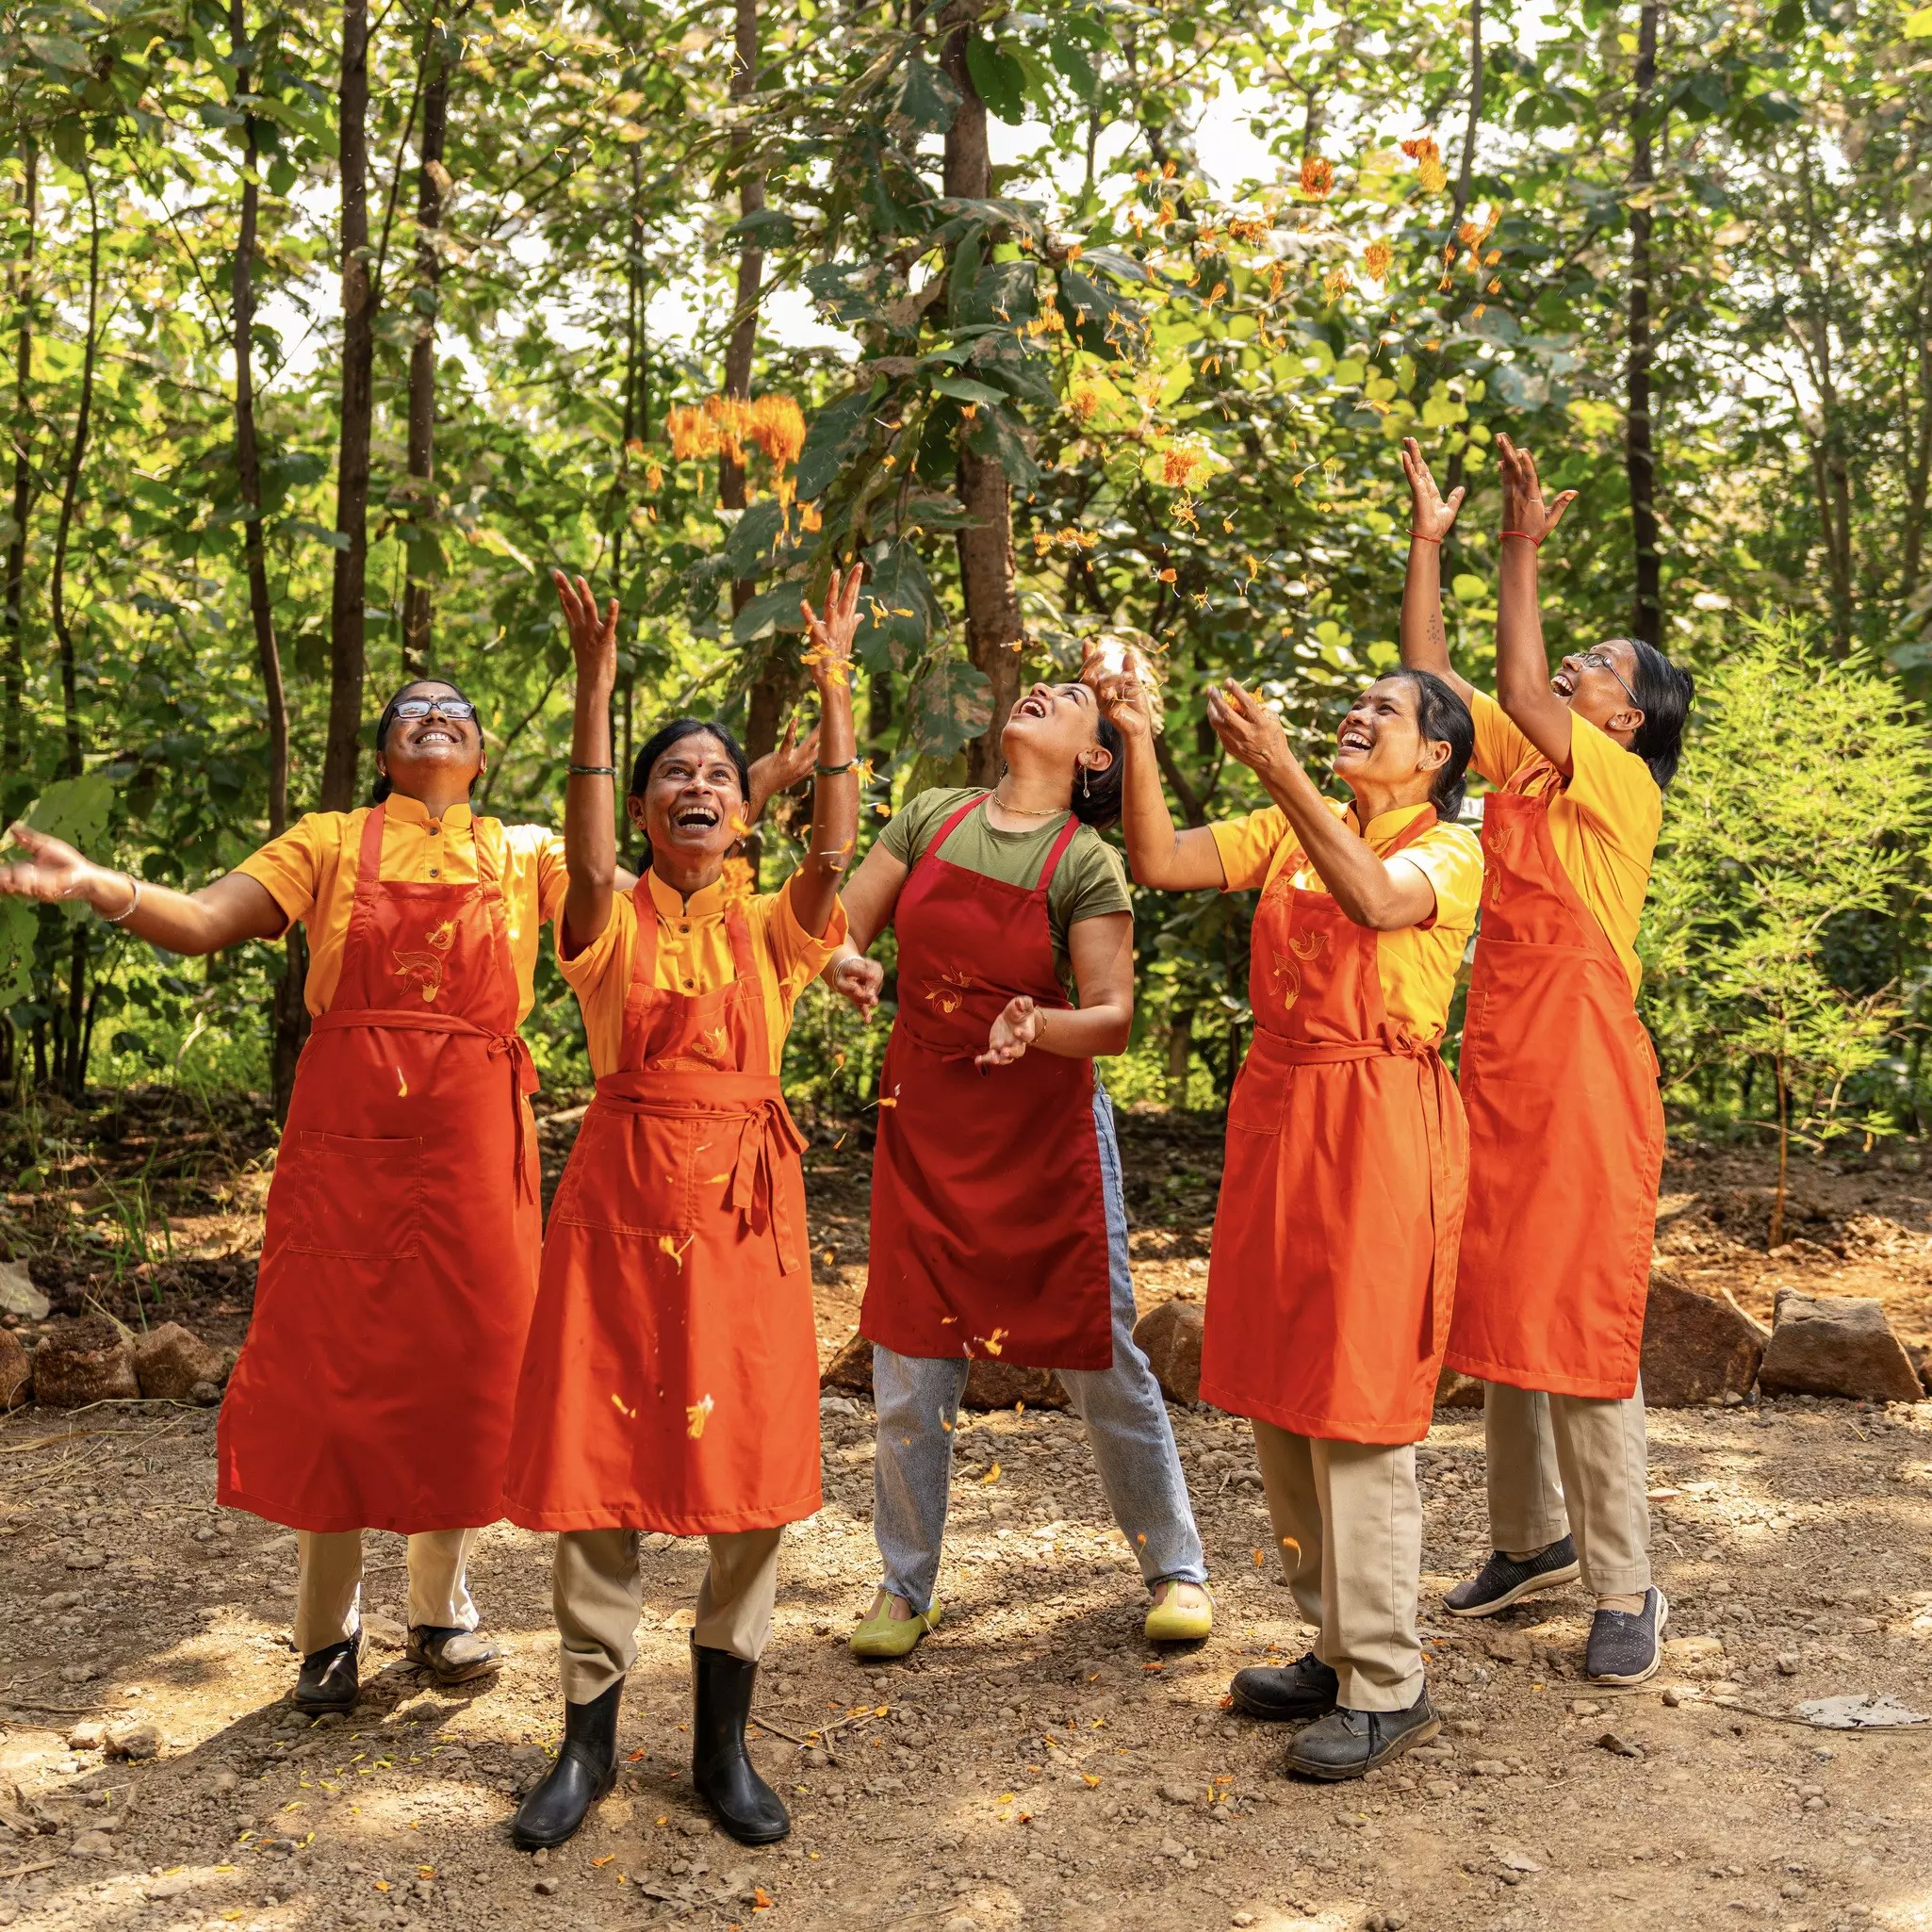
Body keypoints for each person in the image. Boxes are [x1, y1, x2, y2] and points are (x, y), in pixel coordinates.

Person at [0, 679, 564, 1711]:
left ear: (480, 753)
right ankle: (326, 1629)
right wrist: (99, 884)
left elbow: (649, 906)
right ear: (385, 750)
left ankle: (440, 1607)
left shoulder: (530, 850)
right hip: (347, 1142)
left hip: (477, 1142)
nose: (434, 713)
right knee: (332, 1366)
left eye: (456, 709)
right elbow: (209, 919)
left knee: (468, 1362)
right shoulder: (330, 840)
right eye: (411, 707)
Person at [502, 567, 860, 1850]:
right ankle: (585, 1744)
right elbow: (585, 853)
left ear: (738, 808)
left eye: (716, 772)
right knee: (598, 1463)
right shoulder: (598, 920)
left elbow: (834, 848)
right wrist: (598, 685)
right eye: (674, 775)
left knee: (748, 1467)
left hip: (744, 1219)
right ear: (647, 807)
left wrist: (831, 687)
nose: (698, 785)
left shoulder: (776, 926)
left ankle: (722, 1743)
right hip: (614, 1210)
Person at [1106, 663, 1482, 1780]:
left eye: (1389, 711)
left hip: (1376, 1123)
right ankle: (1333, 1643)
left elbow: (1373, 899)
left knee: (1357, 1404)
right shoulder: (1287, 829)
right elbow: (1159, 861)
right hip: (1282, 1113)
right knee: (1284, 1391)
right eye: (1354, 703)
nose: (1359, 716)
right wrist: (1136, 737)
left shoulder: (1456, 849)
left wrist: (1279, 767)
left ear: (1436, 758)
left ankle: (1389, 1679)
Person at [822, 679, 1213, 1662]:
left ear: (1093, 758)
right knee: (911, 1364)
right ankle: (903, 1586)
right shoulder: (928, 816)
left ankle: (1174, 1569)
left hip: (1043, 1133)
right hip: (927, 1122)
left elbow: (1112, 1016)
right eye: (1041, 685)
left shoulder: (1087, 861)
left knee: (1099, 1356)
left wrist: (1037, 1026)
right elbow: (842, 925)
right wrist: (848, 962)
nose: (1044, 690)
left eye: (1072, 696)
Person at [1398, 435, 1693, 1686]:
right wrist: (1431, 545)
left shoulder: (1615, 779)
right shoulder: (1528, 769)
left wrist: (1517, 546)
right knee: (1494, 1298)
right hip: (1504, 1061)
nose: (1571, 662)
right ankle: (1532, 1539)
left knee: (1573, 1316)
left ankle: (1626, 1583)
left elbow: (1518, 690)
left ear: (1621, 715)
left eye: (1595, 664)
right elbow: (1430, 681)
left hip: (1580, 1073)